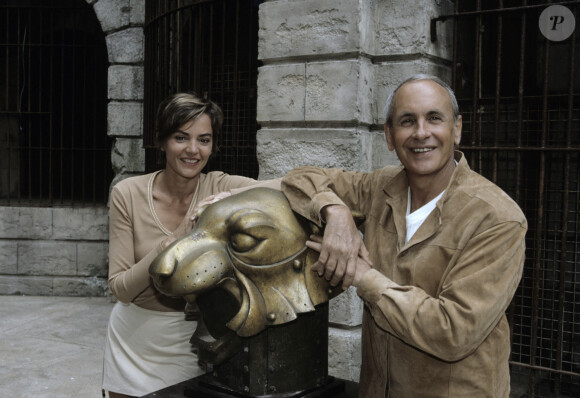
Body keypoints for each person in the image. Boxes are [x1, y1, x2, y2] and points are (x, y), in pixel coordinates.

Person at [281, 74, 527, 397]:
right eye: (407, 121)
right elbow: (299, 179)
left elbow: (452, 331)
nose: (421, 133)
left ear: (457, 130)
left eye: (434, 119)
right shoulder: (383, 187)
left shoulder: (497, 217)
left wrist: (364, 277)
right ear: (389, 135)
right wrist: (335, 212)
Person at [102, 92, 280, 398]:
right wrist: (171, 242)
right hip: (133, 340)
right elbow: (121, 288)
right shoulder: (127, 194)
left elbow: (290, 185)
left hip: (192, 342)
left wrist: (231, 199)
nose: (193, 150)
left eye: (204, 139)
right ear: (161, 141)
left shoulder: (219, 186)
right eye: (181, 138)